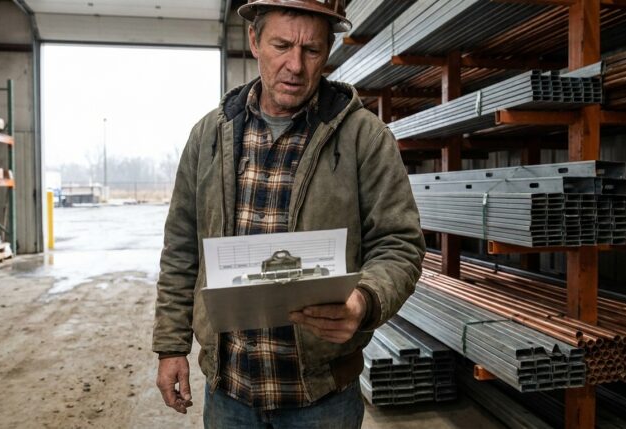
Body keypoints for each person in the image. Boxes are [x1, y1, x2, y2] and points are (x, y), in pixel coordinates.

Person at [153, 0, 426, 427]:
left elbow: (399, 244)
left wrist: (364, 300)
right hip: (231, 392)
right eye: (281, 45)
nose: (295, 65)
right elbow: (181, 249)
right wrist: (171, 346)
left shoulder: (363, 138)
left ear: (328, 53)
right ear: (254, 41)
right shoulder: (209, 136)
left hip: (322, 397)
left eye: (312, 50)